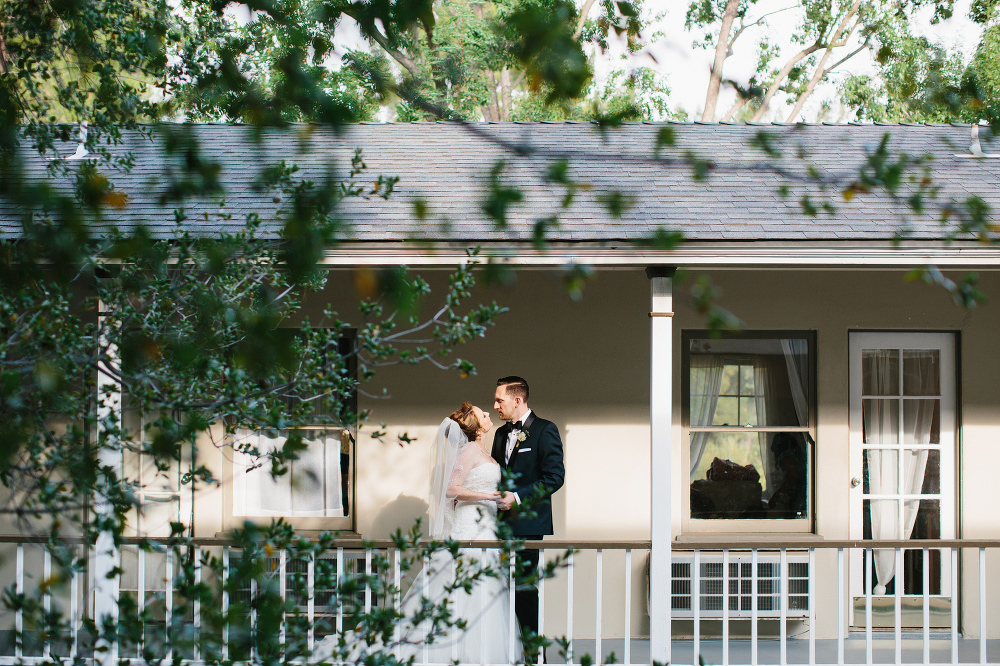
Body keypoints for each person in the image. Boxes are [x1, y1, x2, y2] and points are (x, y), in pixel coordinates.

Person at [313, 402, 518, 664]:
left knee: (485, 590)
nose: (489, 414)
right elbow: (451, 489)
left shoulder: (484, 450)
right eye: (483, 414)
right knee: (460, 589)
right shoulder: (467, 452)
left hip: (486, 530)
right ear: (477, 428)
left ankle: (479, 654)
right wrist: (487, 495)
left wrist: (494, 500)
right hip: (468, 530)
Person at [491, 376, 565, 638]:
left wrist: (518, 497)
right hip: (497, 525)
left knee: (523, 587)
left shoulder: (546, 430)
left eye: (500, 400)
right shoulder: (500, 434)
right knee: (496, 588)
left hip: (528, 524)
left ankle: (533, 652)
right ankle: (506, 647)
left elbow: (555, 478)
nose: (496, 405)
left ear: (517, 400)